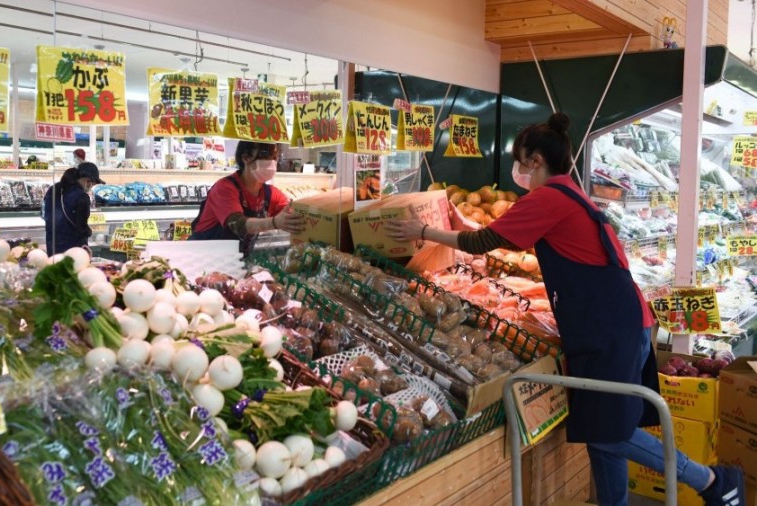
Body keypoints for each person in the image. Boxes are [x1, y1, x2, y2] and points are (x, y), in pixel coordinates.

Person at [384, 113, 746, 506]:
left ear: (535, 160)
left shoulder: (547, 198)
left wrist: (423, 231)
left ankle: (712, 480)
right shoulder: (568, 192)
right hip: (619, 321)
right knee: (601, 432)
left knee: (609, 433)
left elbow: (482, 242)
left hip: (609, 328)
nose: (517, 170)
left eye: (519, 160)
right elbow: (504, 238)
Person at [189, 141, 304, 256]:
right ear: (245, 158)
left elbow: (294, 215)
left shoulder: (271, 194)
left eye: (274, 157)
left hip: (236, 260)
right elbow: (237, 224)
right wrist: (274, 222)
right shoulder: (224, 188)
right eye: (265, 155)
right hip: (202, 258)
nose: (271, 162)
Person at [42, 162, 104, 255]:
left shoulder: (53, 189)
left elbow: (44, 215)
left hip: (52, 248)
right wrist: (88, 232)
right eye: (93, 185)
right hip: (73, 251)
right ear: (88, 181)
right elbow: (81, 228)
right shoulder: (82, 197)